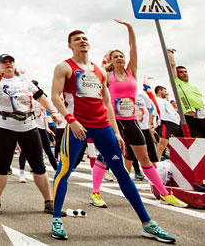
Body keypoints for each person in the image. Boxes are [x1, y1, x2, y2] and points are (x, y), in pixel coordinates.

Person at [49, 29, 175, 242]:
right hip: (77, 125)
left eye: (85, 38)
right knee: (64, 170)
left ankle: (147, 223)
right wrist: (71, 120)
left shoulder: (99, 71)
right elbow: (55, 96)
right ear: (69, 45)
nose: (82, 41)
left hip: (102, 126)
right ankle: (56, 220)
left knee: (122, 173)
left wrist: (116, 132)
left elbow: (106, 102)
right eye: (77, 40)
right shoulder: (64, 67)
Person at [88, 21, 187, 208]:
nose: (119, 58)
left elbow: (134, 47)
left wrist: (129, 28)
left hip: (132, 121)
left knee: (144, 158)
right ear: (109, 60)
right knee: (105, 156)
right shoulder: (108, 76)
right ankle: (95, 192)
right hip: (114, 122)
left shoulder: (131, 71)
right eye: (115, 56)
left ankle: (164, 193)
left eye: (121, 56)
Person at [0, 54, 54, 216]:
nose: (8, 65)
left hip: (28, 126)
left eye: (10, 62)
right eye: (4, 63)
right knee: (1, 166)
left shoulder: (23, 79)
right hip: (5, 126)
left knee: (38, 165)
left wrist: (54, 112)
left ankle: (48, 201)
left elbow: (40, 96)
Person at [170, 49, 205, 146]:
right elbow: (172, 66)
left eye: (185, 71)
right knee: (189, 145)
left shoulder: (194, 87)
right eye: (181, 72)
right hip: (188, 118)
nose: (184, 73)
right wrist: (170, 54)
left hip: (201, 117)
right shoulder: (177, 83)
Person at [154, 85, 182, 156]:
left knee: (180, 143)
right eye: (164, 91)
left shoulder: (166, 101)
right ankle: (157, 163)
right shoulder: (156, 99)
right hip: (166, 122)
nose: (166, 92)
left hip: (175, 123)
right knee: (162, 144)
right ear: (160, 91)